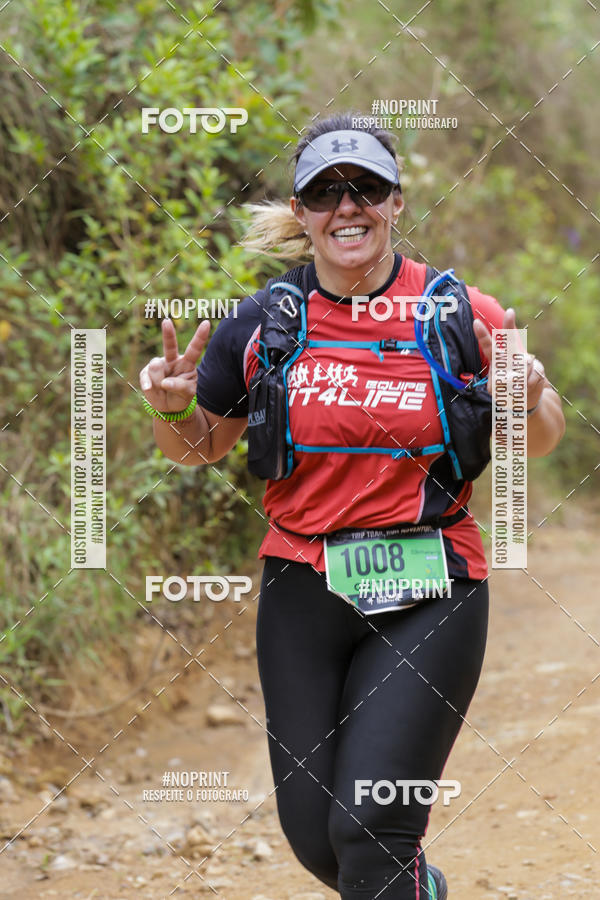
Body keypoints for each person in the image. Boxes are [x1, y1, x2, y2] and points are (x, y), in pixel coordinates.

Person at [139, 112, 565, 899]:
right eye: (325, 192)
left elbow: (541, 438)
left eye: (365, 187)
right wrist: (173, 409)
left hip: (431, 587)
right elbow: (199, 447)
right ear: (301, 212)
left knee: (371, 829)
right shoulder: (263, 323)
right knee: (318, 840)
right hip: (303, 590)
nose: (347, 206)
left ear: (396, 201)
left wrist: (527, 396)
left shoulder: (458, 312)